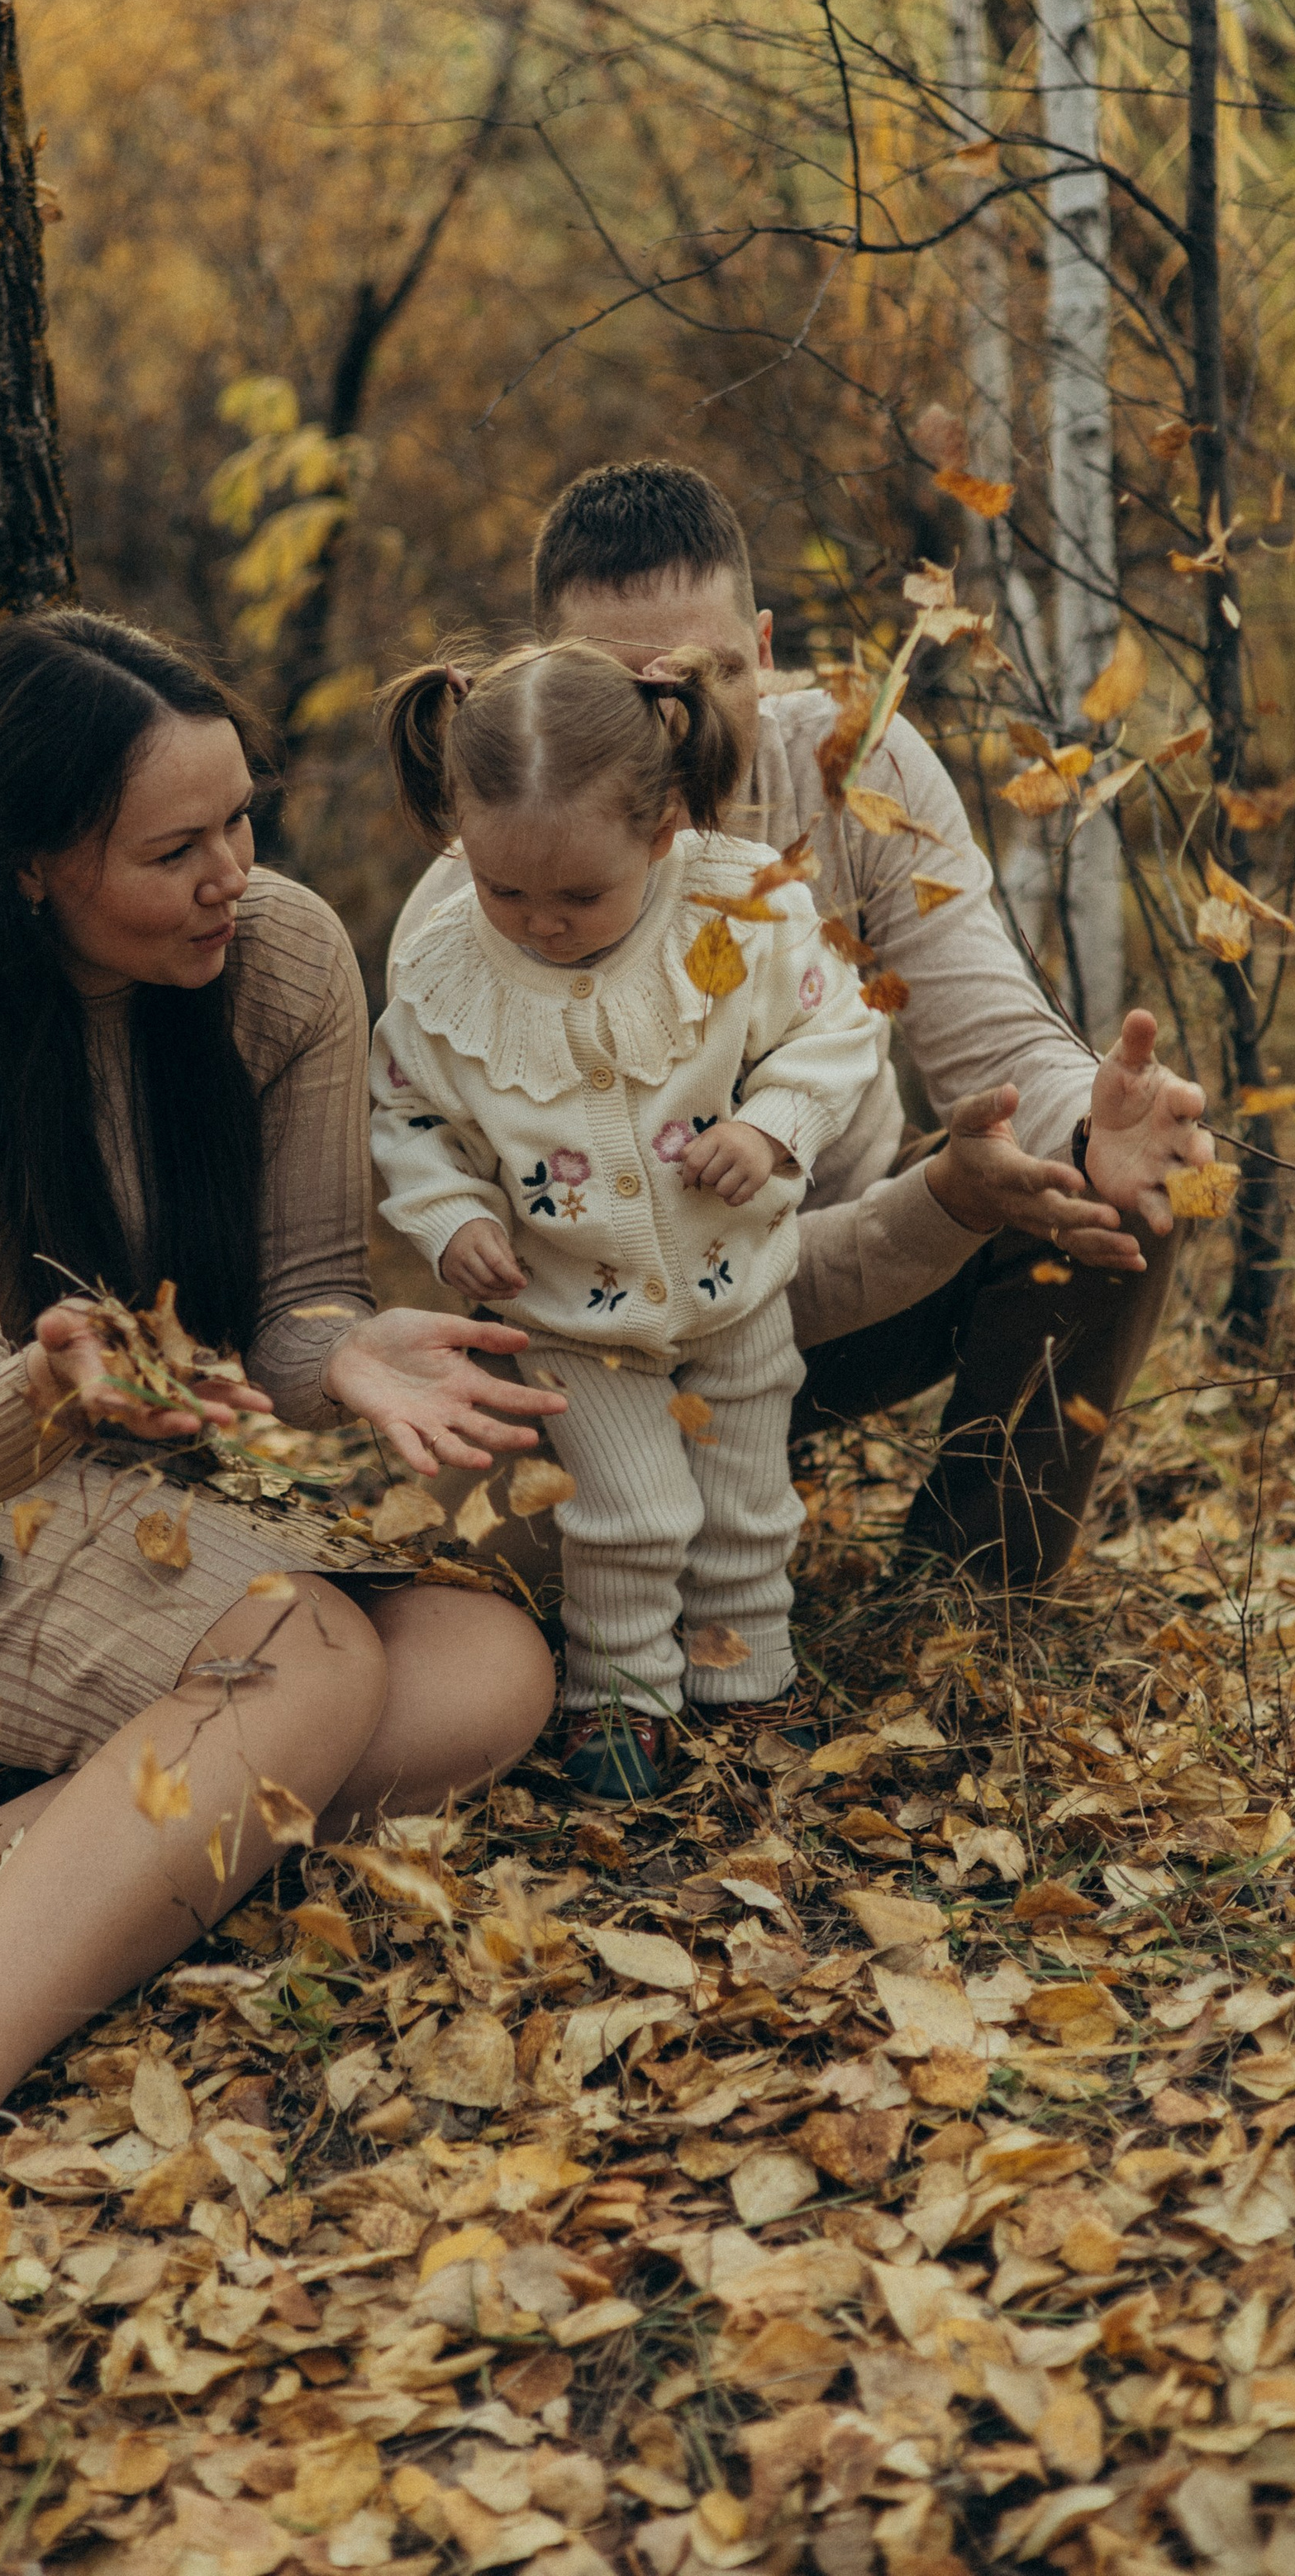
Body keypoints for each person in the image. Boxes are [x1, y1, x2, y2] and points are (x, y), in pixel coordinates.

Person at [0, 609, 563, 2353]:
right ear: (36, 867)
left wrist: (352, 1354)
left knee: (483, 1672)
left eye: (241, 820)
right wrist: (48, 1380)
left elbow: (299, 1302)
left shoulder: (288, 962)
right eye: (174, 848)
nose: (231, 872)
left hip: (110, 1483)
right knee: (308, 1657)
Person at [390, 463, 1216, 1588]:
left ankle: (971, 1600)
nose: (679, 720)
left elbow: (996, 1043)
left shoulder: (849, 768)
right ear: (547, 682)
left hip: (860, 1279)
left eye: (713, 672)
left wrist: (1088, 1124)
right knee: (521, 1610)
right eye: (631, 684)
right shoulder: (493, 892)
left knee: (1105, 1184)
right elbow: (426, 1148)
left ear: (764, 649)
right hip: (599, 1349)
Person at [371, 642, 878, 1797]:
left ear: (660, 835)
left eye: (579, 897)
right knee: (631, 1512)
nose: (540, 924)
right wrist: (451, 1219)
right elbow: (407, 1116)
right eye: (506, 890)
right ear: (462, 838)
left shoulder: (739, 909)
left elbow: (836, 1028)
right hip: (567, 1309)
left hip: (737, 1284)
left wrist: (775, 1124)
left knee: (748, 1501)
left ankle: (744, 1681)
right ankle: (622, 1700)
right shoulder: (449, 967)